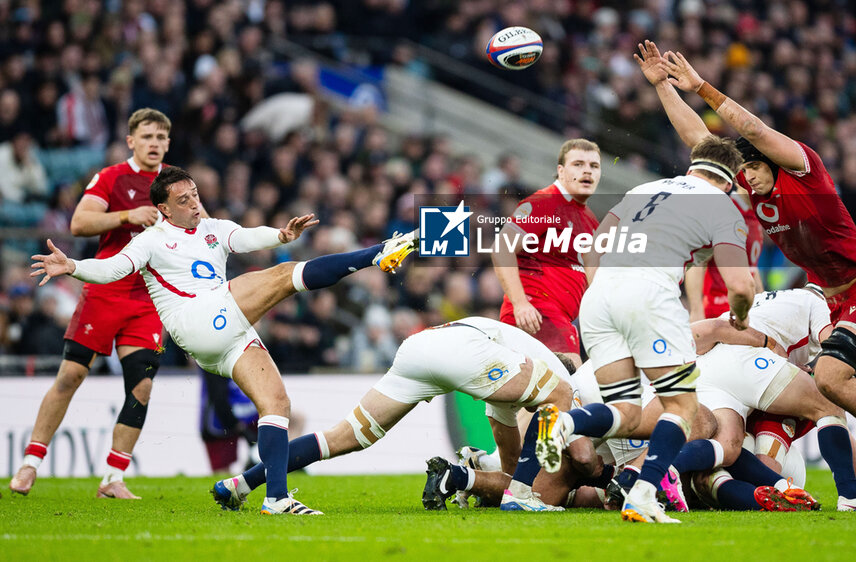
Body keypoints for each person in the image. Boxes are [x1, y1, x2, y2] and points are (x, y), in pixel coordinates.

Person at [640, 39, 856, 511]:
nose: (746, 179)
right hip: (838, 300)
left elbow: (753, 127)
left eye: (751, 169)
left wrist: (701, 86)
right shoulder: (753, 183)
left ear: (768, 161)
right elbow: (699, 144)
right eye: (741, 173)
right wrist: (664, 86)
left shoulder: (804, 169)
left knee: (828, 377)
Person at [27, 166, 418, 515]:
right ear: (164, 209)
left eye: (195, 194)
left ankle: (272, 497)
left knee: (277, 404)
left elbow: (248, 237)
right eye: (184, 200)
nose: (195, 204)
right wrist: (73, 266)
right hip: (195, 321)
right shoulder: (152, 240)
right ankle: (378, 254)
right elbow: (113, 268)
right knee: (283, 277)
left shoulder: (214, 229)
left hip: (227, 334)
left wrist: (282, 234)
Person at [536, 135, 756, 523]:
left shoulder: (644, 189)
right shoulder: (723, 205)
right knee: (683, 407)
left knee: (626, 410)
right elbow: (740, 286)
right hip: (649, 295)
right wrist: (741, 315)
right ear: (730, 181)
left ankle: (566, 422)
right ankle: (643, 493)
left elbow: (593, 245)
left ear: (692, 166)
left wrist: (606, 290)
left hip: (600, 297)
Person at [209, 317, 585, 513]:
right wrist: (522, 488)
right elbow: (559, 402)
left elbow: (508, 446)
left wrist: (510, 480)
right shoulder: (558, 371)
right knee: (562, 393)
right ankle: (519, 498)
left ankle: (239, 485)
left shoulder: (514, 376)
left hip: (419, 348)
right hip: (461, 349)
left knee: (341, 437)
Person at [9, 108, 171, 499]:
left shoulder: (174, 183)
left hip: (148, 297)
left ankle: (112, 479)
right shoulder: (113, 177)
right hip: (105, 290)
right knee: (71, 376)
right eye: (147, 136)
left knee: (142, 387)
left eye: (161, 138)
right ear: (131, 140)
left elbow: (199, 227)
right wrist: (128, 215)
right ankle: (30, 464)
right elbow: (80, 223)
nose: (154, 144)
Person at [676, 286, 856, 511]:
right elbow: (832, 346)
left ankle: (662, 471)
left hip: (710, 366)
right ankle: (851, 496)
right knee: (829, 402)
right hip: (750, 358)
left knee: (727, 447)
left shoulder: (769, 300)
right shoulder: (817, 302)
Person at [493, 139, 601, 367]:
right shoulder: (546, 202)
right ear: (561, 171)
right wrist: (520, 303)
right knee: (571, 381)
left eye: (594, 166)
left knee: (535, 399)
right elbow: (502, 248)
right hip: (537, 314)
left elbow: (596, 280)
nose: (587, 171)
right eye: (578, 164)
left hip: (558, 317)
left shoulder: (589, 219)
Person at [684, 188, 763, 320]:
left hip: (745, 312)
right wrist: (696, 311)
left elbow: (751, 266)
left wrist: (761, 300)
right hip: (717, 312)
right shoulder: (724, 211)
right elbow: (697, 261)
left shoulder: (755, 212)